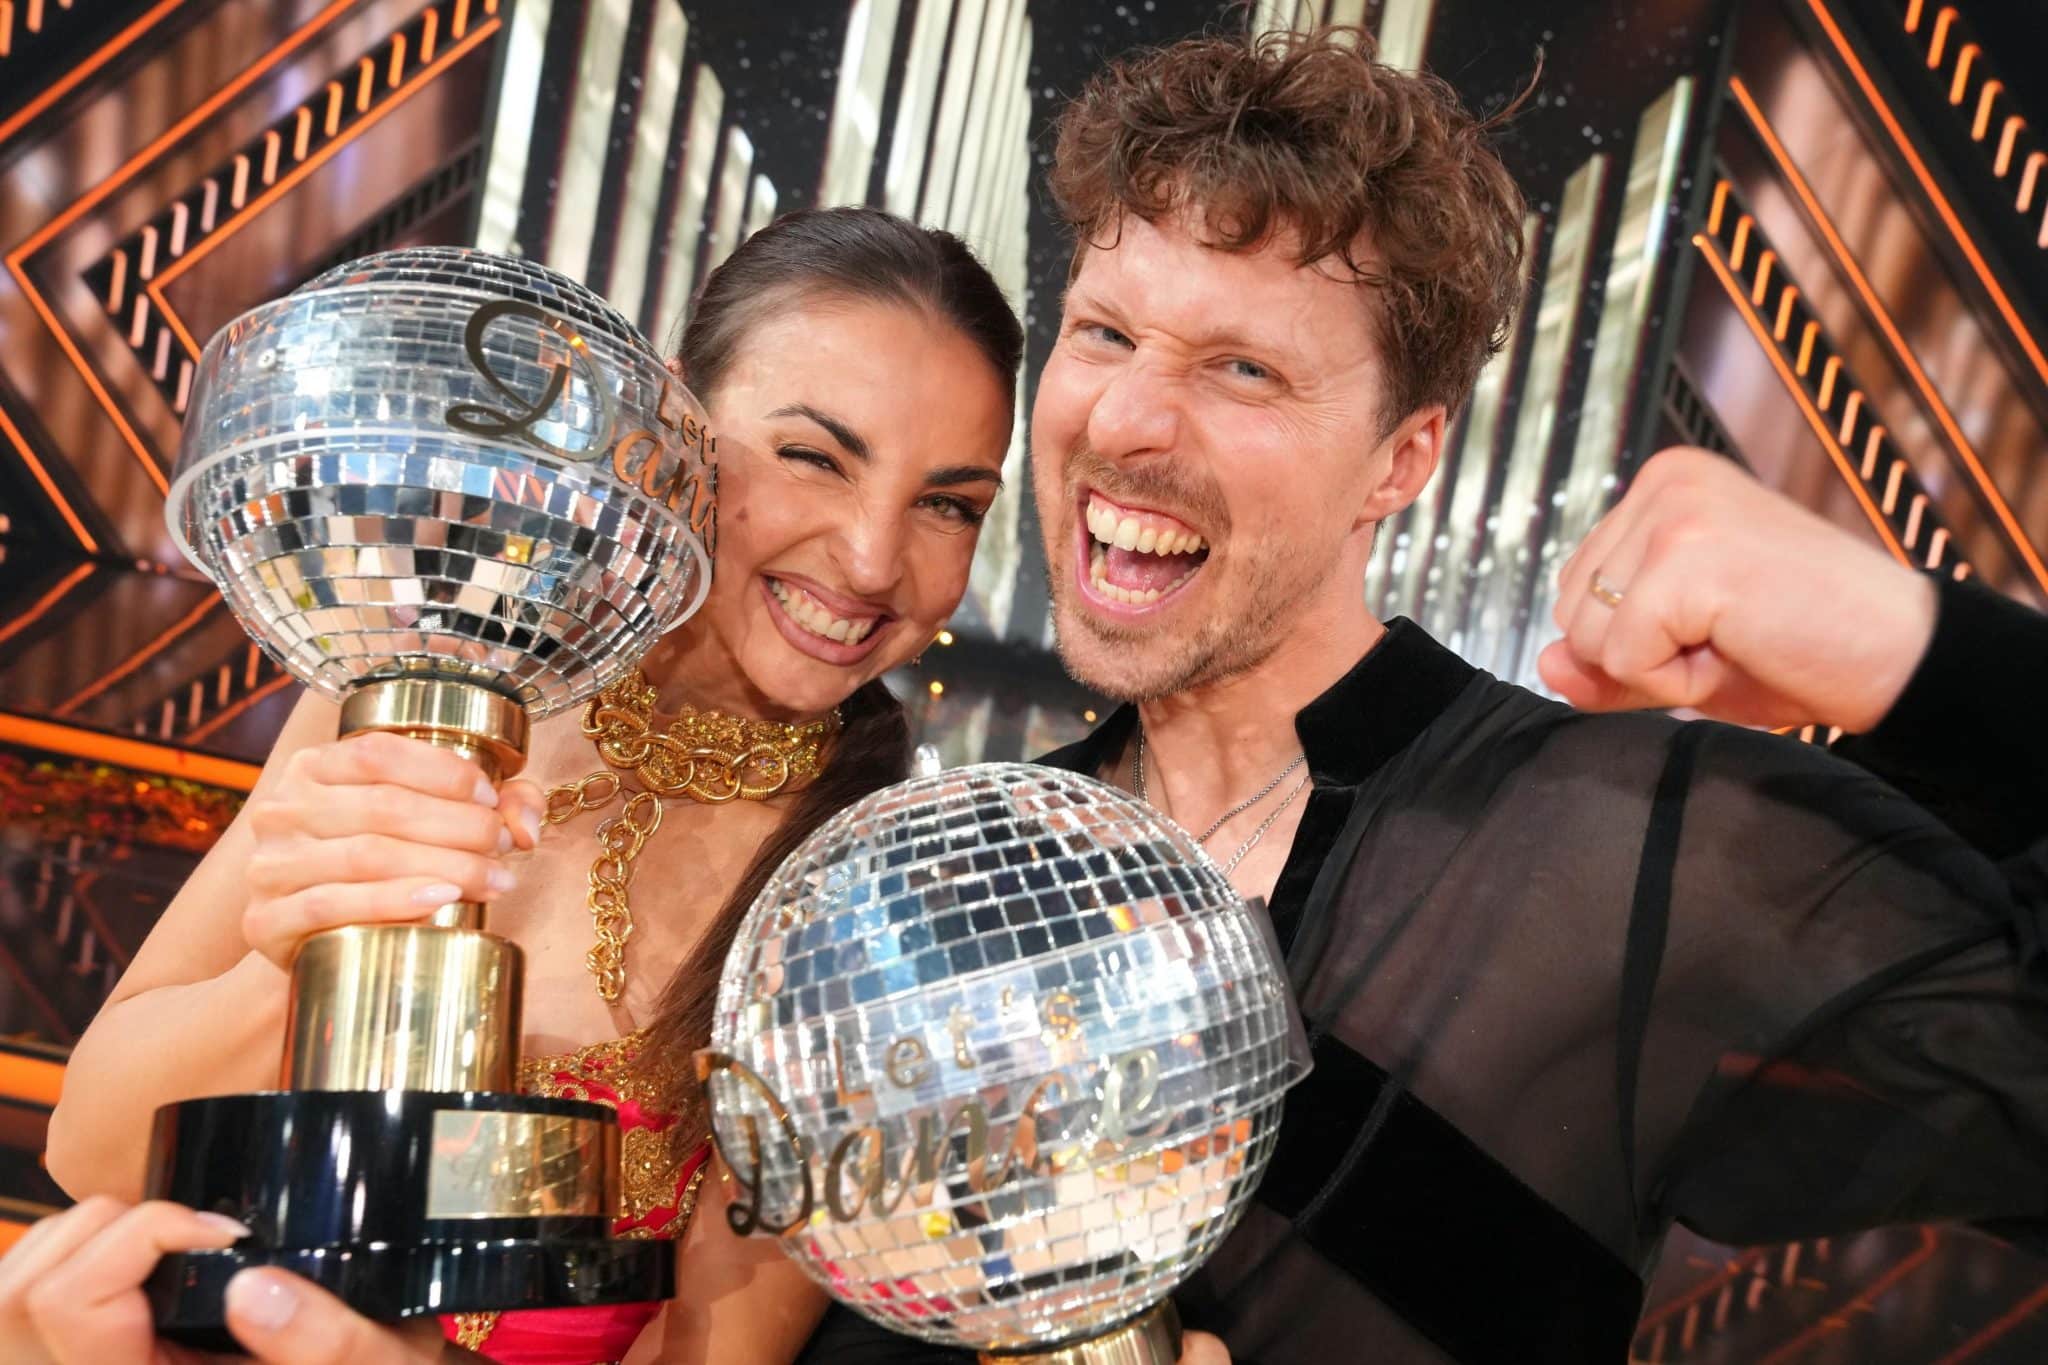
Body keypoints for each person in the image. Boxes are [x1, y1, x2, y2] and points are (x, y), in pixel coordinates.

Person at [791, 26, 2048, 1365]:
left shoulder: (1634, 845)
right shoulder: (954, 878)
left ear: (1401, 459)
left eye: (1241, 368)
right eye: (1105, 333)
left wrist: (1922, 649)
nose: (1122, 421)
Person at [31, 205, 1024, 1364]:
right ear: (671, 424)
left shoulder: (874, 913)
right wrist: (296, 958)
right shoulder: (439, 669)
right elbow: (94, 1151)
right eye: (812, 457)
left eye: (947, 504)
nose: (870, 559)